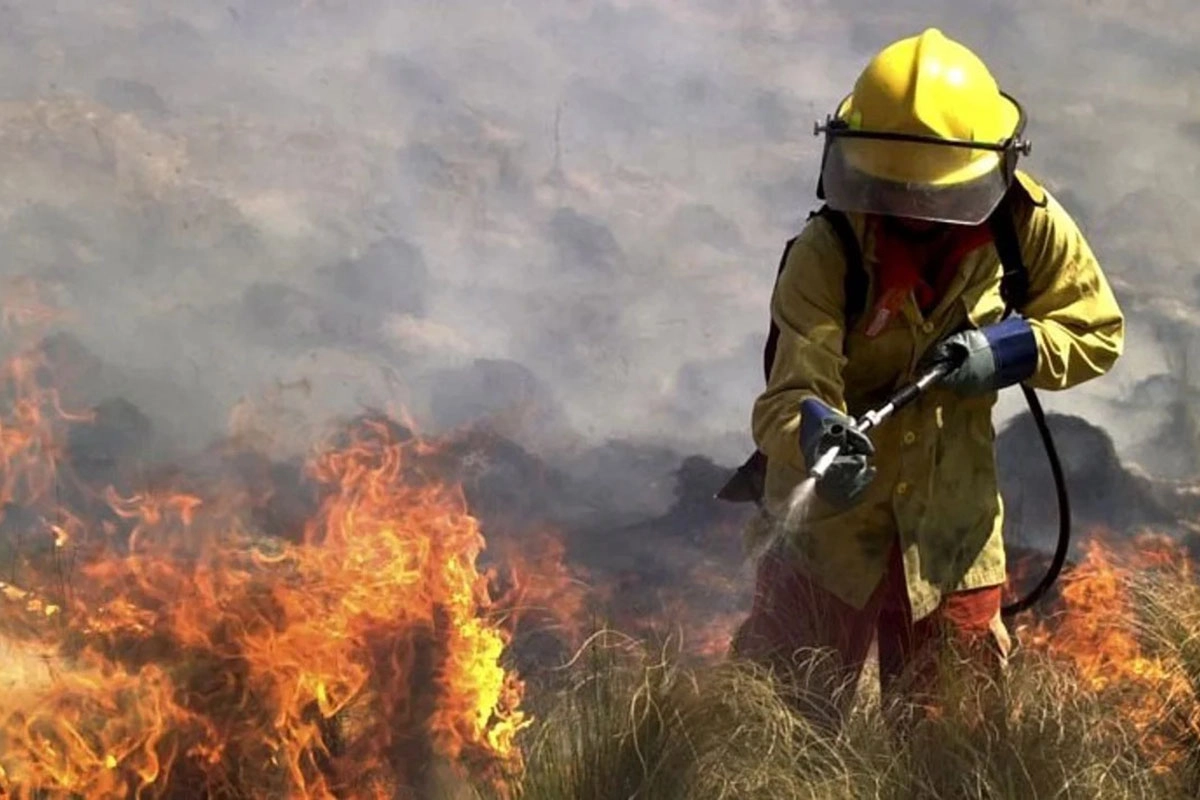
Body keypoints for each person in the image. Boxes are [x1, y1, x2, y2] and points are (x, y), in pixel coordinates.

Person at [727, 28, 1125, 723]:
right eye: (891, 188)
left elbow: (1094, 330)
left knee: (953, 747)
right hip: (826, 540)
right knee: (780, 729)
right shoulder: (829, 252)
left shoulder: (1024, 226)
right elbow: (786, 399)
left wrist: (1009, 351)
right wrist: (819, 435)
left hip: (952, 538)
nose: (911, 210)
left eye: (929, 194)